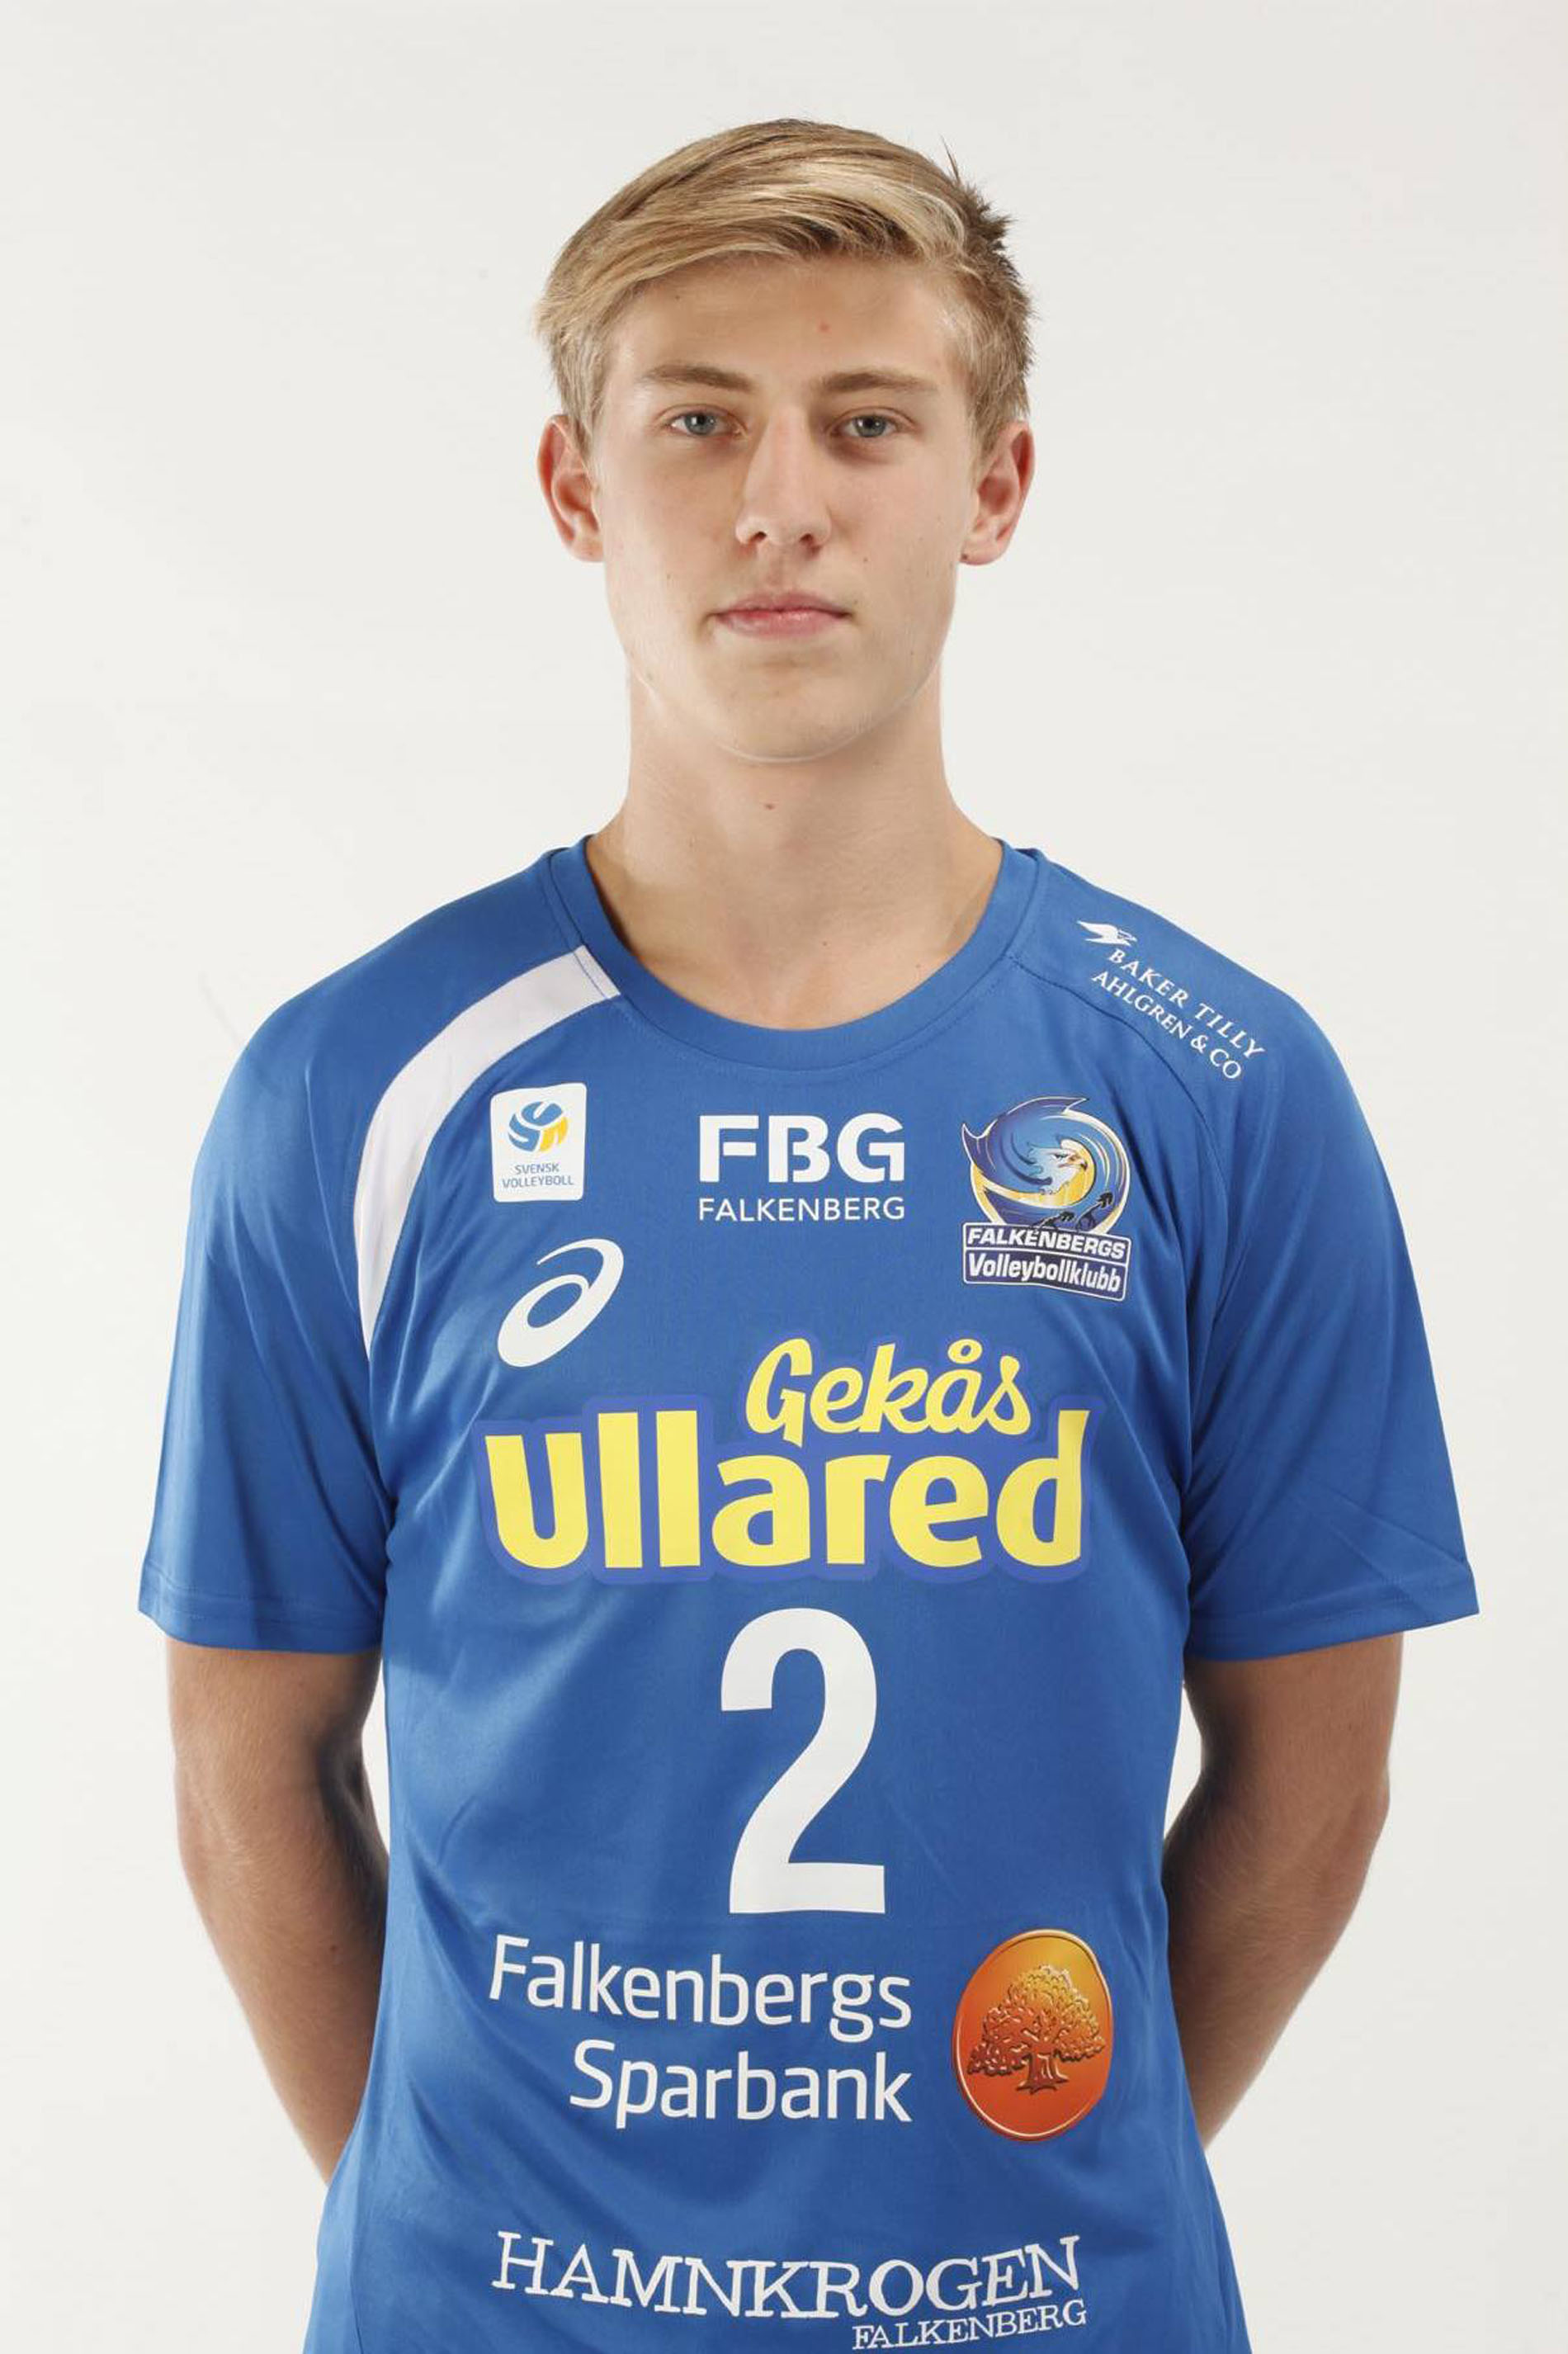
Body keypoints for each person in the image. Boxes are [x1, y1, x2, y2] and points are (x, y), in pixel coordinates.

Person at [138, 117, 1481, 2354]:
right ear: (574, 489)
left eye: (866, 421)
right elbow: (241, 1764)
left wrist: (1037, 2182)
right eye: (697, 423)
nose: (781, 502)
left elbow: (1316, 1770)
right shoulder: (355, 1088)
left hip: (1047, 2303)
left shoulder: (1217, 1083)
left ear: (994, 486)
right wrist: (463, 2226)